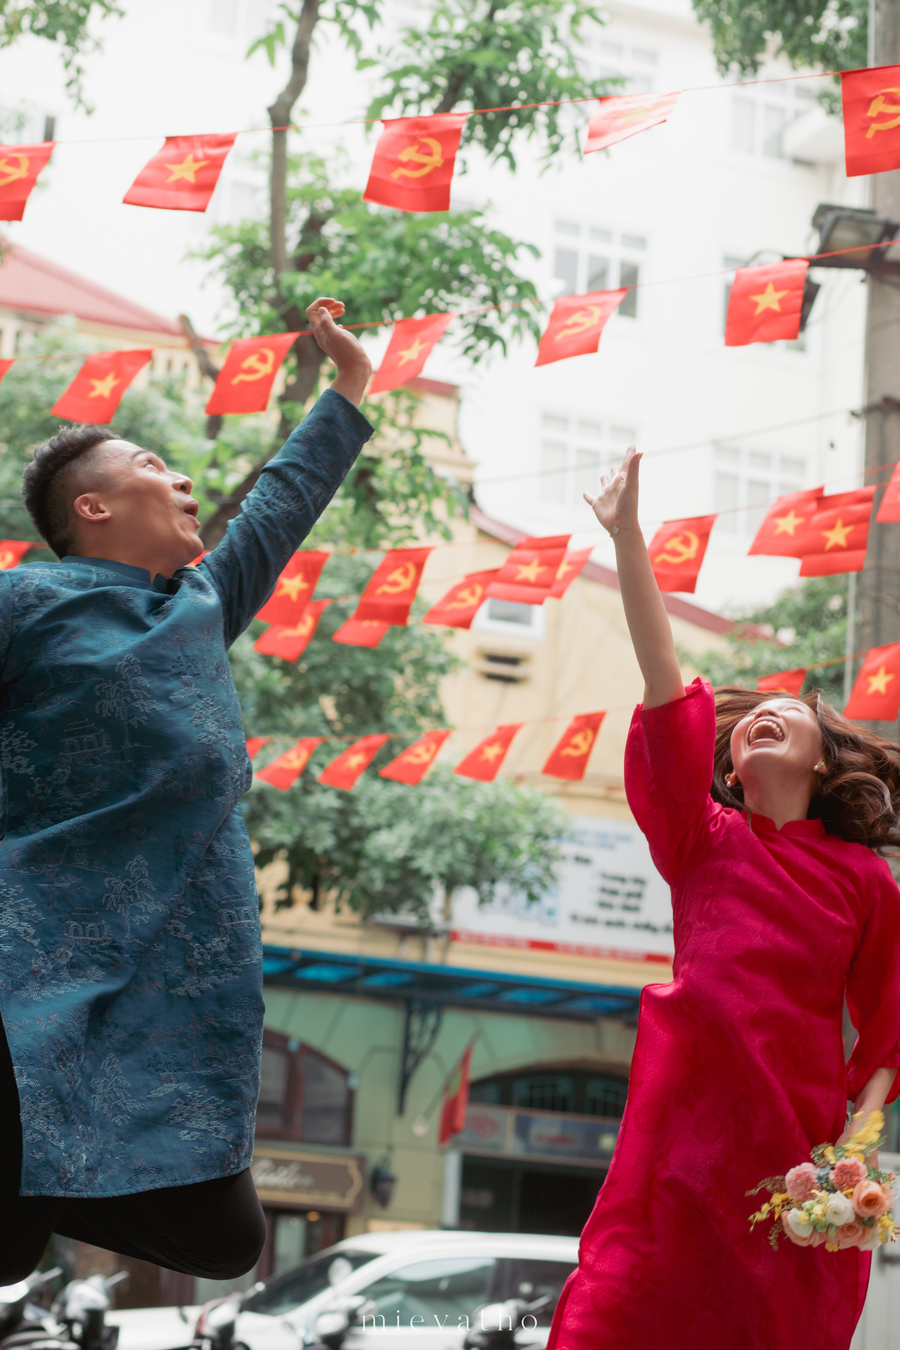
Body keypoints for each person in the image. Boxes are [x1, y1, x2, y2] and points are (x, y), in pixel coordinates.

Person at [0, 297, 372, 1283]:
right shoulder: (24, 600)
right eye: (154, 465)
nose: (183, 479)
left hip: (183, 969)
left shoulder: (202, 603)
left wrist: (350, 384)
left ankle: (40, 1187)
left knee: (229, 1241)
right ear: (92, 507)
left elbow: (283, 502)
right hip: (31, 954)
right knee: (7, 1238)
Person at [548, 448, 900, 1350]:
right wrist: (628, 538)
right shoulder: (701, 839)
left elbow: (887, 1034)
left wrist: (853, 1162)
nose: (762, 716)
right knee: (621, 1313)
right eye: (746, 724)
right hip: (675, 1144)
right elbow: (663, 679)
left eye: (790, 710)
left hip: (793, 1166)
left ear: (824, 758)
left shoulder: (864, 880)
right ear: (732, 774)